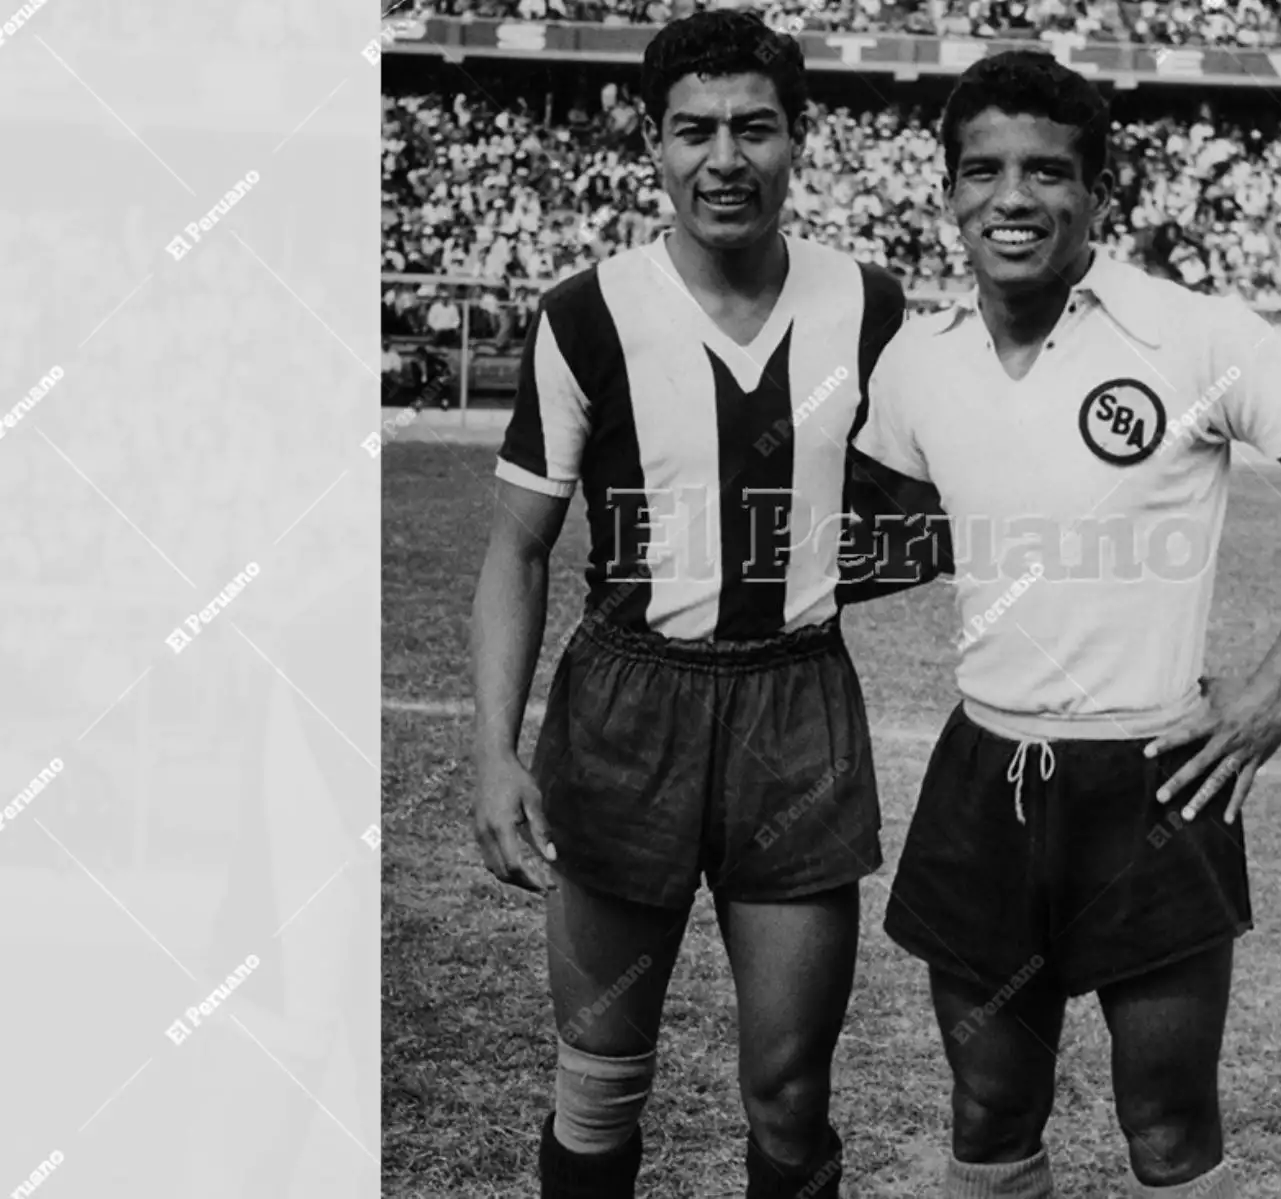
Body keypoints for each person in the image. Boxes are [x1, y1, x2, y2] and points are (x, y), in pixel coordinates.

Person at [851, 51, 1281, 1198]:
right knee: (990, 1109)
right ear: (949, 192)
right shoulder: (916, 360)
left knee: (1166, 1120)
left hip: (1156, 781)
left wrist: (1278, 684)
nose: (1013, 197)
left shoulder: (1194, 334)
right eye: (982, 171)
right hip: (984, 771)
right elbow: (889, 544)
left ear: (1097, 191)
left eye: (1047, 171)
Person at [467, 12, 943, 1198]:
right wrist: (492, 750)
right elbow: (516, 549)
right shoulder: (587, 312)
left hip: (795, 707)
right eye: (694, 131)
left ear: (799, 141)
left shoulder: (872, 306)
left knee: (790, 1095)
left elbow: (957, 488)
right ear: (653, 144)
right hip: (628, 707)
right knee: (599, 1071)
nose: (723, 157)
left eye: (753, 128)